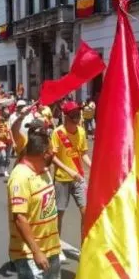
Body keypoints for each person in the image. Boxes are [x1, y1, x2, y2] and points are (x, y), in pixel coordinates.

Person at [6, 126, 61, 279]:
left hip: (51, 246)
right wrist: (36, 252)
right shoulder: (20, 177)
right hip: (29, 253)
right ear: (41, 153)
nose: (53, 154)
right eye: (50, 151)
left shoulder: (44, 170)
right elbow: (20, 219)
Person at [50, 100, 91, 260]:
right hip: (62, 179)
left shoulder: (81, 132)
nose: (77, 116)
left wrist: (92, 167)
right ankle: (56, 246)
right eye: (74, 114)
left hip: (78, 178)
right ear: (66, 116)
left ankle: (84, 247)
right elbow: (52, 156)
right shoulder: (57, 133)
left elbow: (84, 154)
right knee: (60, 213)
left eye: (78, 113)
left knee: (86, 211)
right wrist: (67, 170)